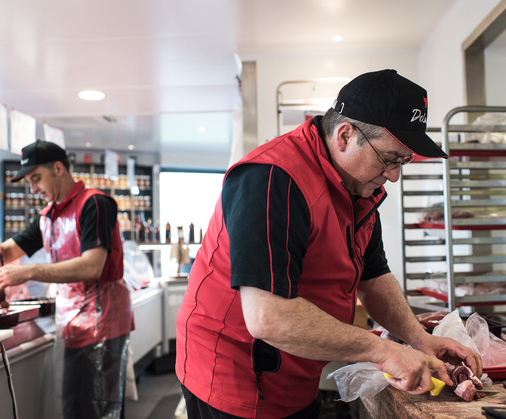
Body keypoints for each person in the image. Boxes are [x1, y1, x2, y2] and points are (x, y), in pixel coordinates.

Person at [176, 69, 483, 418]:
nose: (395, 176)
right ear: (345, 135)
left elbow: (374, 276)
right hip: (236, 375)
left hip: (296, 368)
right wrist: (381, 351)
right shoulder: (273, 179)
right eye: (389, 159)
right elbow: (268, 317)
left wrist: (418, 338)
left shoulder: (360, 189)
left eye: (404, 161)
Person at [0, 140, 134, 419]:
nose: (33, 189)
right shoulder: (47, 216)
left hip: (103, 322)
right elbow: (7, 250)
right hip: (72, 321)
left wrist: (28, 271)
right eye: (28, 182)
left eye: (36, 178)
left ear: (58, 168)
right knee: (76, 405)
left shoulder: (95, 203)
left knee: (98, 407)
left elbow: (92, 266)